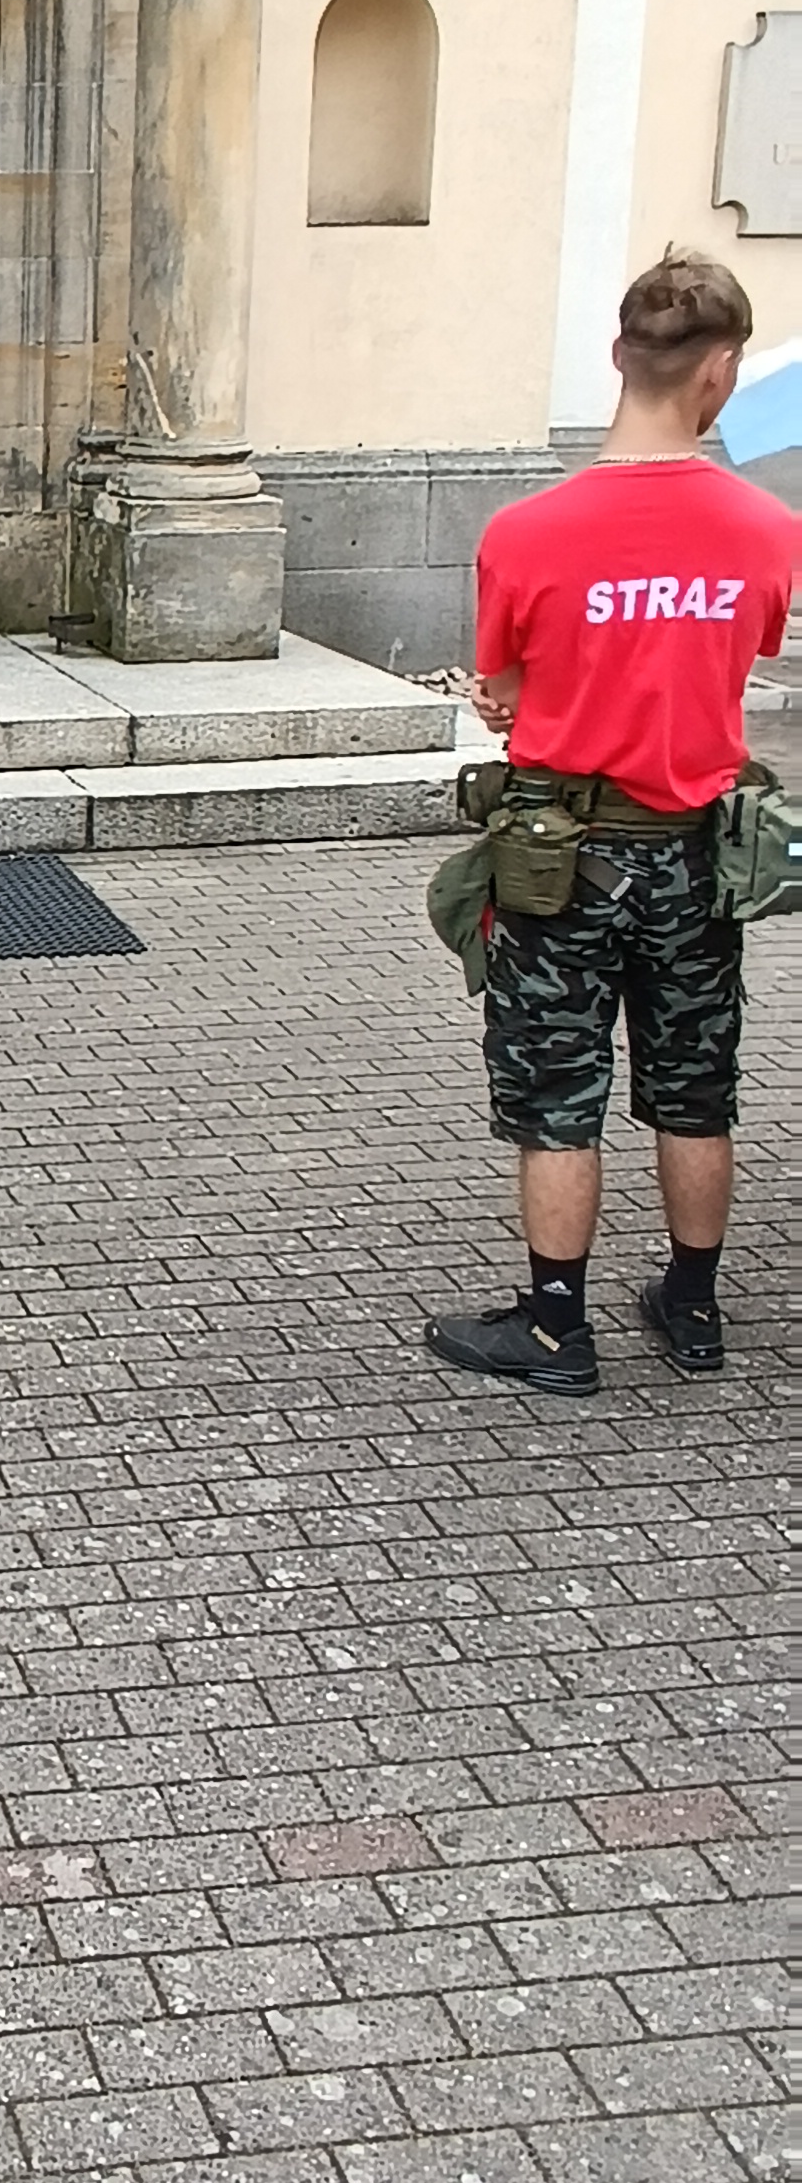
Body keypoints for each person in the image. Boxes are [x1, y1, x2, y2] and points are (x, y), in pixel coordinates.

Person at [427, 249, 794, 1394]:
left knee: (557, 1098)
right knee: (696, 1087)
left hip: (563, 859)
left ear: (618, 357)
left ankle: (554, 1330)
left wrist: (518, 703)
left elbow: (509, 689)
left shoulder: (526, 531)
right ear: (721, 372)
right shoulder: (767, 530)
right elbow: (734, 656)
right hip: (696, 854)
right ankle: (693, 1309)